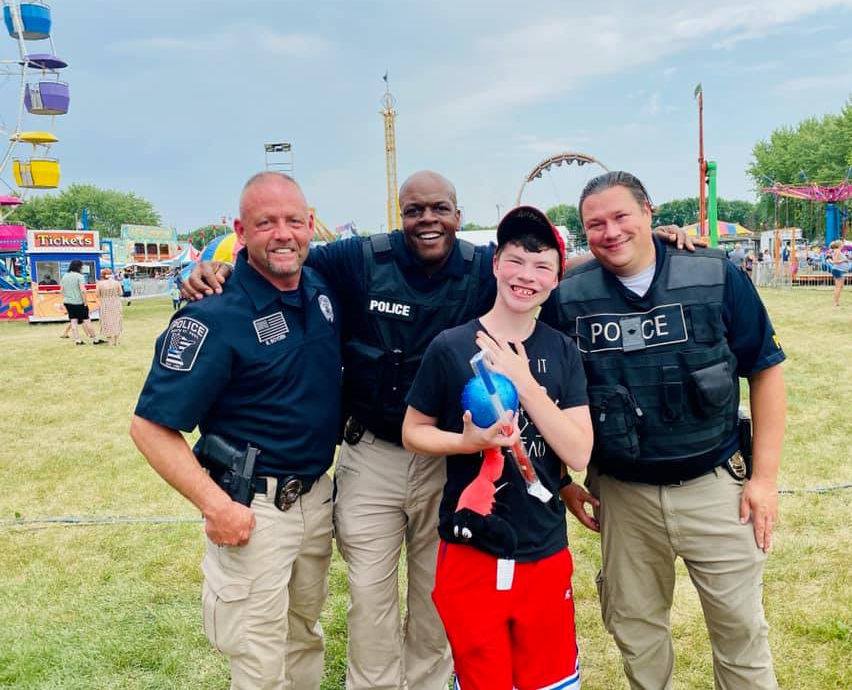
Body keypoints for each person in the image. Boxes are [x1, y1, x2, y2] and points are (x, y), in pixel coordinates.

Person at [182, 170, 697, 690]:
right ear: (400, 215)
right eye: (415, 210)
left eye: (440, 209)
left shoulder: (481, 267)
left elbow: (546, 266)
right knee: (371, 598)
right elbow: (281, 256)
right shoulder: (360, 258)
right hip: (373, 453)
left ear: (457, 214)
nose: (427, 220)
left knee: (435, 600)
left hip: (447, 464)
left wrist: (649, 242)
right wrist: (217, 268)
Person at [540, 171, 786, 690]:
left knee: (740, 629)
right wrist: (561, 479)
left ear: (649, 212)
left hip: (715, 486)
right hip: (623, 495)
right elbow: (550, 396)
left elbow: (765, 370)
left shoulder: (716, 275)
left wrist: (764, 480)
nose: (610, 232)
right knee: (636, 631)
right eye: (596, 224)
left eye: (621, 216)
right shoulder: (568, 299)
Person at [130, 172, 342, 690]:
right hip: (254, 511)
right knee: (257, 658)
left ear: (311, 224)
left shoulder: (320, 287)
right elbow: (150, 427)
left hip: (316, 501)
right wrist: (216, 507)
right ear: (240, 231)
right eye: (265, 223)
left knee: (304, 638)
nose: (283, 234)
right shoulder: (213, 314)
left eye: (294, 221)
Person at [402, 206, 592, 690]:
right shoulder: (450, 346)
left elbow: (579, 453)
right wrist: (464, 442)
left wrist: (523, 381)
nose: (526, 275)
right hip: (472, 548)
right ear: (495, 264)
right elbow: (413, 431)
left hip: (544, 549)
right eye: (515, 260)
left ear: (556, 279)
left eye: (542, 265)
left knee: (548, 681)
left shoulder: (562, 350)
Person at [60, 260, 102, 345]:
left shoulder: (64, 276)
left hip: (68, 302)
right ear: (78, 267)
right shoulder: (79, 276)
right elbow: (83, 290)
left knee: (73, 321)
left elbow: (62, 291)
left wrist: (66, 299)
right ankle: (95, 339)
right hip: (79, 302)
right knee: (87, 321)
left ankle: (77, 340)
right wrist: (85, 302)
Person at [96, 268, 123, 345]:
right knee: (116, 321)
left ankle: (110, 341)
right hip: (116, 303)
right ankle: (116, 341)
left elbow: (97, 294)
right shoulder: (116, 283)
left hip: (105, 303)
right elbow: (120, 293)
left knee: (106, 321)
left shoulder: (100, 284)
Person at [828, 239, 850, 306]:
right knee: (839, 287)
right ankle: (835, 302)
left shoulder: (837, 251)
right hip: (837, 270)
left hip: (838, 270)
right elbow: (835, 261)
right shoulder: (837, 251)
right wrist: (844, 260)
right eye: (842, 244)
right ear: (839, 245)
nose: (843, 245)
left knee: (839, 286)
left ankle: (836, 301)